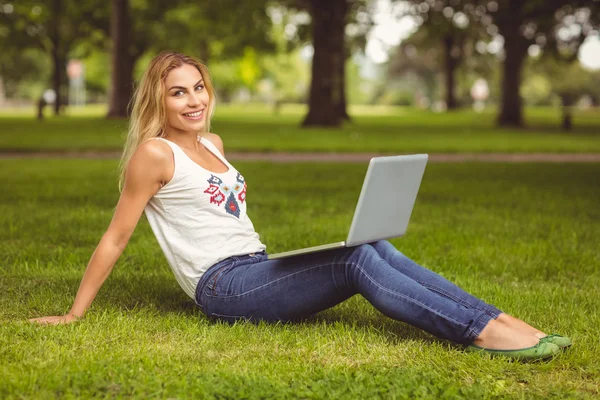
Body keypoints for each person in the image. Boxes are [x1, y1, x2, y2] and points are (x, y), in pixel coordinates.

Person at [30, 51, 570, 360]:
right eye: (178, 92)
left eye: (199, 88)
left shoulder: (213, 143)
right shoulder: (154, 154)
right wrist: (75, 313)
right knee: (354, 260)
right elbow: (116, 236)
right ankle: (482, 332)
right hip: (222, 288)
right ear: (158, 100)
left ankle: (496, 318)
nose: (194, 100)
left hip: (255, 267)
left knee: (372, 243)